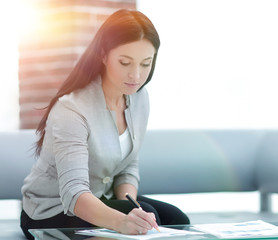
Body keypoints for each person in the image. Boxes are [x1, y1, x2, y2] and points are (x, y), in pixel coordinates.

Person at [20, 9, 189, 240]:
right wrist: (123, 221)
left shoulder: (139, 98)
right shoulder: (72, 109)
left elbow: (129, 164)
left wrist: (131, 206)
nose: (136, 76)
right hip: (53, 210)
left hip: (100, 198)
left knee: (178, 221)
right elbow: (74, 194)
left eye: (145, 64)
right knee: (150, 219)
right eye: (125, 62)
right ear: (103, 55)